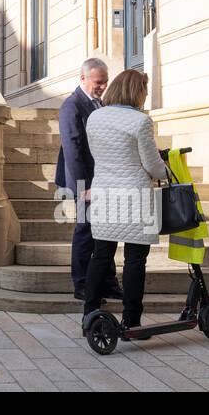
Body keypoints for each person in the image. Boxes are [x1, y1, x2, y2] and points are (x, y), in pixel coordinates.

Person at [81, 69, 167, 331]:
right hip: (134, 197)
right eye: (144, 90)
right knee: (134, 261)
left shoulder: (95, 117)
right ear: (136, 91)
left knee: (101, 255)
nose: (146, 95)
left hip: (105, 193)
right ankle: (131, 320)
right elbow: (152, 165)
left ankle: (90, 313)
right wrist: (166, 169)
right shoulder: (140, 121)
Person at [54, 58, 121, 302]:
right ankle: (81, 285)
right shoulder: (71, 106)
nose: (103, 86)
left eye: (105, 81)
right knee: (86, 231)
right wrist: (84, 187)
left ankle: (108, 283)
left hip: (101, 179)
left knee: (106, 231)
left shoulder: (100, 104)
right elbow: (72, 150)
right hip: (84, 181)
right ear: (83, 79)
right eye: (98, 82)